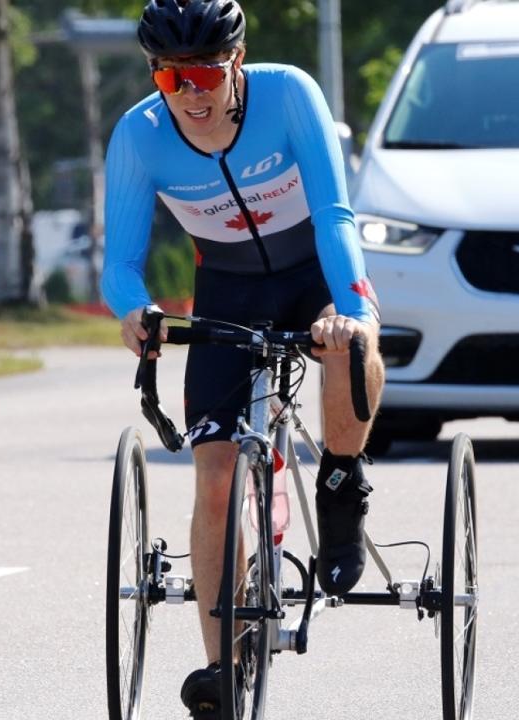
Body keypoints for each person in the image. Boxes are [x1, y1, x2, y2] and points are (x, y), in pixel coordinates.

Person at [102, 0, 385, 716]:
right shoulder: (138, 137)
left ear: (237, 59)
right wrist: (135, 312)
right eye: (172, 80)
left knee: (353, 347)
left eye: (204, 73)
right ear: (153, 75)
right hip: (226, 289)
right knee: (216, 473)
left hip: (314, 268)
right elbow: (121, 267)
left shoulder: (289, 93)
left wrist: (348, 310)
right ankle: (220, 669)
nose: (191, 94)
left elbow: (335, 216)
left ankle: (344, 487)